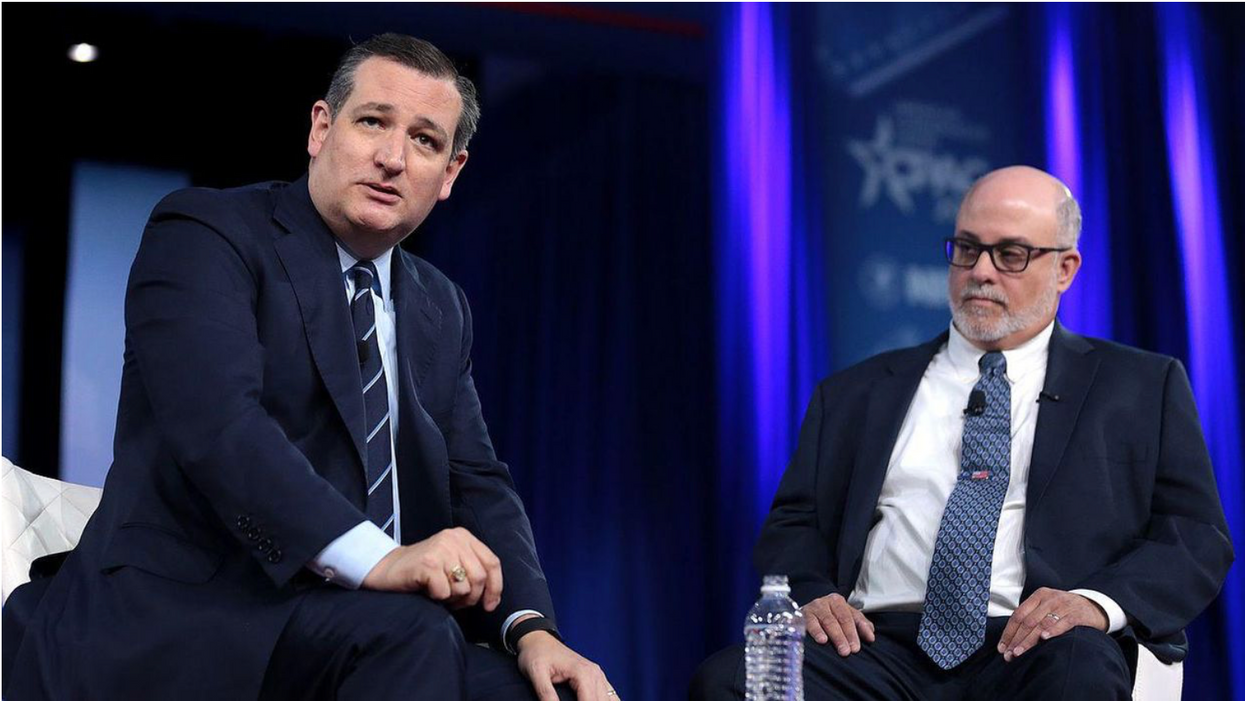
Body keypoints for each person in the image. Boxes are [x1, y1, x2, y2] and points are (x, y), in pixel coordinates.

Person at [4, 34, 616, 701]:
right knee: (410, 633)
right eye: (372, 121)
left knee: (533, 691)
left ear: (449, 173)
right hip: (185, 615)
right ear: (321, 129)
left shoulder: (440, 305)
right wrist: (382, 559)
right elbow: (220, 427)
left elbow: (477, 481)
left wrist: (531, 629)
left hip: (352, 627)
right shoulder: (208, 234)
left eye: (424, 140)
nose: (390, 158)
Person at [691, 165, 1233, 700]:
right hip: (873, 646)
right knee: (726, 680)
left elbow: (1194, 534)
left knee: (1080, 670)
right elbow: (795, 522)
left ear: (1065, 268)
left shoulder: (1140, 386)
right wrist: (813, 594)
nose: (981, 271)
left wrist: (1094, 603)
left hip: (1034, 645)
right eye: (967, 248)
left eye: (1011, 254)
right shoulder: (857, 392)